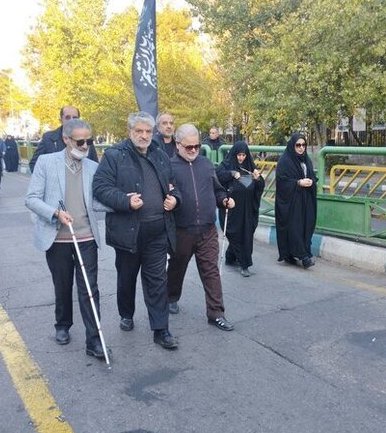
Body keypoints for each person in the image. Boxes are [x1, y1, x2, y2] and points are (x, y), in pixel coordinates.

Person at [93, 112, 181, 350]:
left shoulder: (160, 155)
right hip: (128, 232)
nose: (144, 136)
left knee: (157, 281)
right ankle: (126, 313)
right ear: (130, 131)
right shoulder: (114, 155)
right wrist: (125, 200)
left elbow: (174, 186)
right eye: (139, 131)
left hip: (158, 231)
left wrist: (175, 199)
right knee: (127, 277)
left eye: (148, 131)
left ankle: (161, 330)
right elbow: (100, 187)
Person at [25, 118, 107, 359]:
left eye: (89, 141)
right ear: (66, 139)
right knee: (62, 285)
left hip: (86, 237)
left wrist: (124, 202)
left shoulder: (92, 166)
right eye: (80, 142)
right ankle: (62, 325)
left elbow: (97, 201)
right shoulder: (46, 162)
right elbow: (31, 198)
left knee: (90, 289)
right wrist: (55, 213)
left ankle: (95, 341)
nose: (85, 146)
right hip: (57, 237)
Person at [166, 124, 235, 330]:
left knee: (211, 271)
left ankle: (216, 313)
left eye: (197, 146)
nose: (194, 150)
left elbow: (218, 190)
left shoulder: (206, 164)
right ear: (178, 145)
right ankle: (170, 297)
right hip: (181, 230)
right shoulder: (169, 167)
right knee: (177, 268)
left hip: (207, 229)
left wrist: (224, 200)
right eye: (189, 147)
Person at [215, 141, 265, 277]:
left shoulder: (250, 167)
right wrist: (231, 173)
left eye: (243, 155)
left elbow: (259, 187)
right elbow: (217, 177)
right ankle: (244, 263)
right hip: (233, 209)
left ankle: (234, 258)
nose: (241, 158)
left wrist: (258, 179)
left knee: (246, 234)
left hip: (248, 209)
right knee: (235, 234)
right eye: (239, 155)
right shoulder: (226, 165)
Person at [275, 133, 318, 269]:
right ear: (292, 146)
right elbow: (281, 182)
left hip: (305, 200)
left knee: (306, 225)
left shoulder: (306, 160)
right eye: (298, 145)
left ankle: (293, 253)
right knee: (295, 227)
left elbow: (312, 175)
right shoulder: (285, 161)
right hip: (292, 202)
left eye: (303, 145)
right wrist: (298, 183)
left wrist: (312, 181)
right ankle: (304, 257)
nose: (301, 148)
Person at [29, 106, 98, 172]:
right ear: (61, 120)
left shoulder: (87, 139)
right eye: (67, 117)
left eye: (75, 118)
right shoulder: (48, 138)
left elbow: (95, 166)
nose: (71, 120)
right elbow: (34, 163)